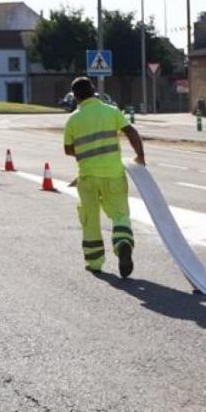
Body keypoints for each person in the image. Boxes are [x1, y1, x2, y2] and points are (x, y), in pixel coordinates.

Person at [62, 76, 146, 277]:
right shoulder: (111, 112)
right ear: (94, 91)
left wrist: (85, 152)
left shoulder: (73, 119)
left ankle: (95, 262)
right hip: (113, 173)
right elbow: (131, 132)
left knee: (90, 219)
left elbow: (67, 149)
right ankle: (122, 243)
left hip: (87, 176)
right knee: (120, 214)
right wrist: (140, 155)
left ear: (75, 96)